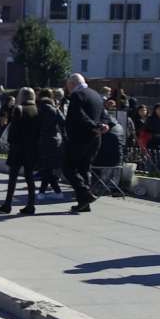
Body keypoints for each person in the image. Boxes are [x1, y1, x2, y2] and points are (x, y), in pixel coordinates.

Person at [62, 73, 106, 214]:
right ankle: (84, 203)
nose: (67, 90)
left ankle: (85, 193)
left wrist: (94, 125)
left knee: (67, 167)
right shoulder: (96, 94)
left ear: (72, 84)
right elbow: (104, 114)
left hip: (80, 138)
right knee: (84, 168)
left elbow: (78, 115)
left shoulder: (77, 95)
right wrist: (104, 125)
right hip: (95, 138)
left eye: (68, 86)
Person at [0, 87, 40, 215]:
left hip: (18, 148)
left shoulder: (19, 109)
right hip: (32, 149)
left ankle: (7, 204)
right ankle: (31, 205)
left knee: (13, 178)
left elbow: (13, 133)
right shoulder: (37, 110)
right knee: (29, 178)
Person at [36, 88, 65, 195]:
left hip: (42, 140)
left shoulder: (38, 109)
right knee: (48, 168)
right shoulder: (54, 109)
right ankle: (56, 192)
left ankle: (43, 193)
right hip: (54, 139)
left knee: (46, 168)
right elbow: (63, 122)